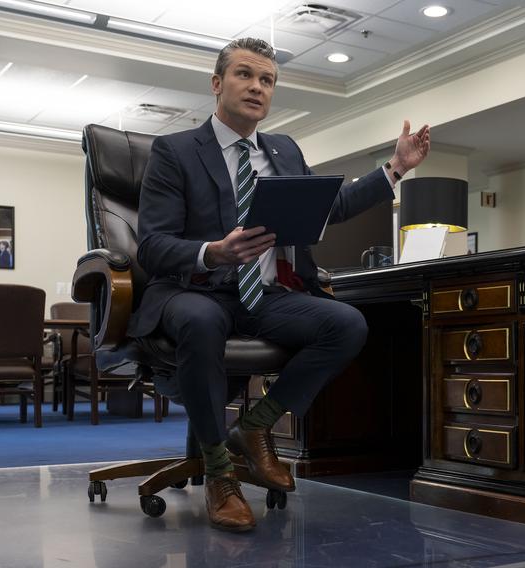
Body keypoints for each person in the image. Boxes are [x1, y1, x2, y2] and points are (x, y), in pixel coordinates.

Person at [130, 37, 430, 532]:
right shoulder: (175, 151)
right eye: (245, 75)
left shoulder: (284, 149)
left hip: (265, 295)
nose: (257, 87)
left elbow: (328, 208)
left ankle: (254, 427)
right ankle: (220, 472)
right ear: (217, 84)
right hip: (196, 292)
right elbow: (152, 246)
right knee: (203, 322)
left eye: (267, 80)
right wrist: (213, 251)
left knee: (348, 324)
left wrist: (394, 169)